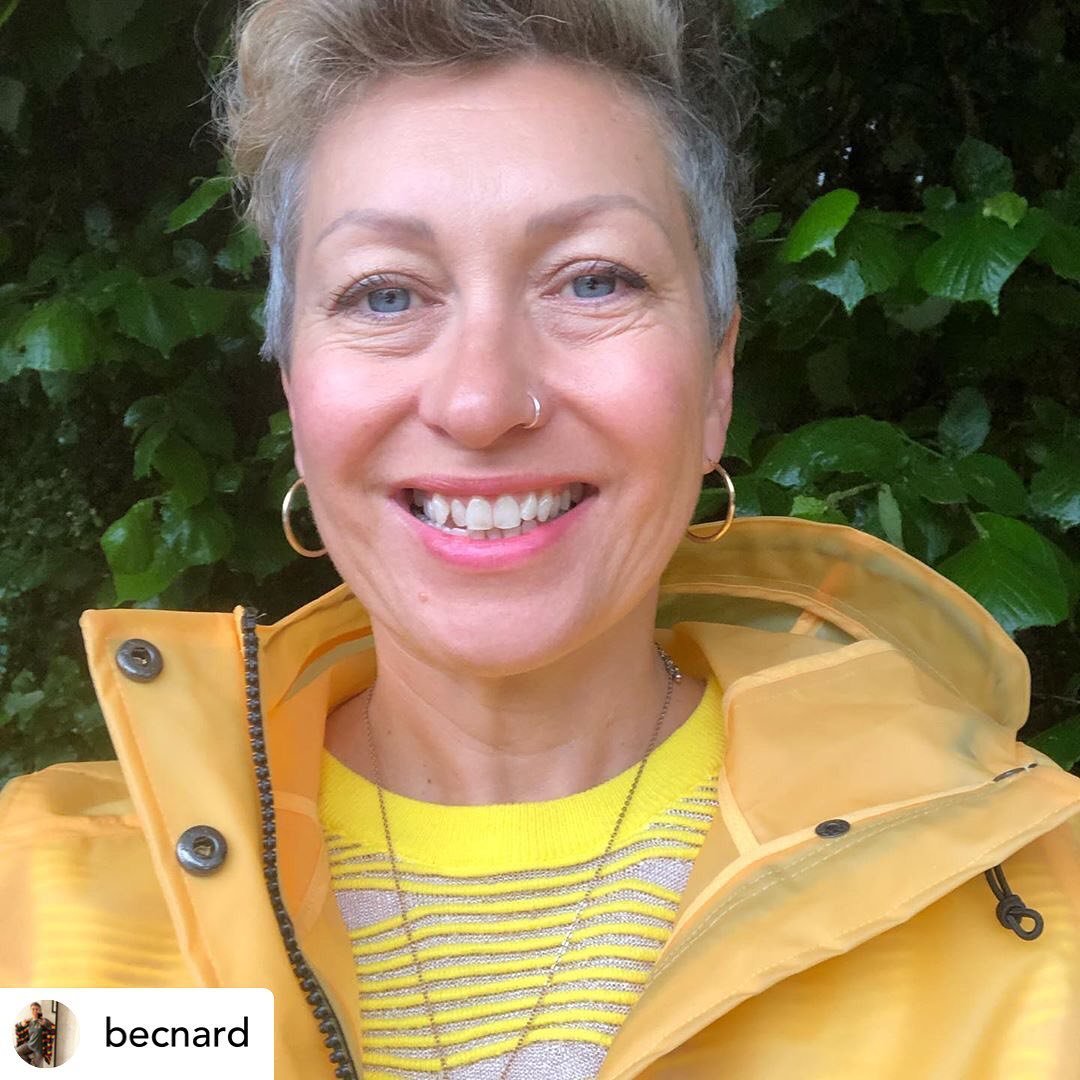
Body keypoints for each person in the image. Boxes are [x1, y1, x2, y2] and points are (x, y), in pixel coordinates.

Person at [2, 2, 1079, 1078]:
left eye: (592, 279)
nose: (480, 401)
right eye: (385, 293)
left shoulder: (1038, 914)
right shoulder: (41, 917)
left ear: (715, 380)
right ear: (295, 390)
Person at [14, 1003, 55, 1068]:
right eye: (33, 1009)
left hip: (39, 1049)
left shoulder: (43, 1021)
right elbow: (17, 1027)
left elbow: (52, 1028)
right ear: (30, 1010)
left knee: (34, 1066)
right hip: (29, 1045)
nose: (35, 1011)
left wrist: (46, 1024)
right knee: (16, 1051)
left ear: (40, 1011)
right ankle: (28, 1060)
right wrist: (21, 1024)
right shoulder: (29, 1021)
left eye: (37, 1009)